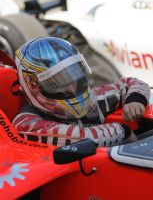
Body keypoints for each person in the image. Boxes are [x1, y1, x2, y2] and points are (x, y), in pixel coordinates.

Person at [13, 37, 150, 147]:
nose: (72, 87)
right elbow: (83, 137)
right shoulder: (25, 123)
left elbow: (130, 83)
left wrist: (135, 100)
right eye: (59, 82)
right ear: (33, 85)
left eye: (74, 75)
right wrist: (122, 131)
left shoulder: (93, 99)